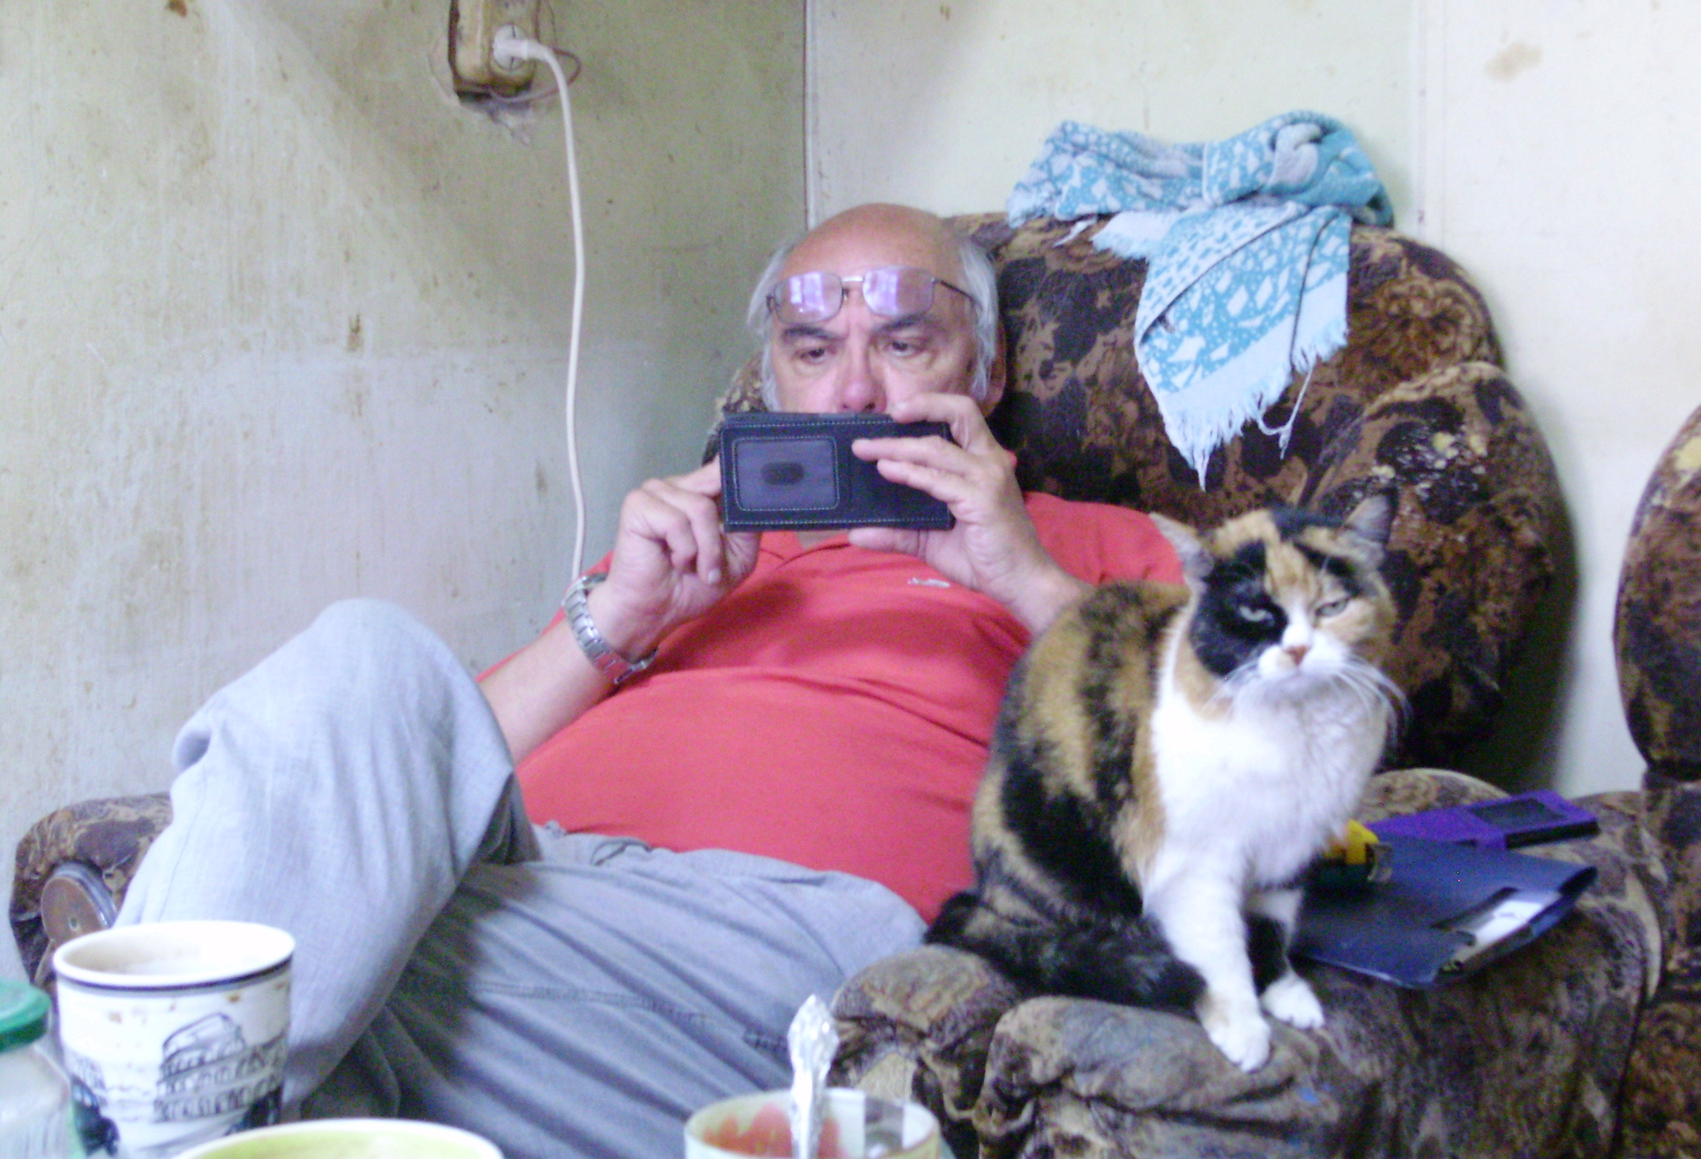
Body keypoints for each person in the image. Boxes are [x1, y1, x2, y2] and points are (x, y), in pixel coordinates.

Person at [117, 204, 1180, 1158]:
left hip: (794, 942)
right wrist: (615, 621)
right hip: (538, 878)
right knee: (364, 659)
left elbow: (1243, 789)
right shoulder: (689, 552)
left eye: (904, 343)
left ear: (986, 371)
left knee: (281, 972)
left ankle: (129, 1111)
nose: (855, 388)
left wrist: (1025, 579)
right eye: (813, 350)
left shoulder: (1093, 548)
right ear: (772, 382)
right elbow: (427, 776)